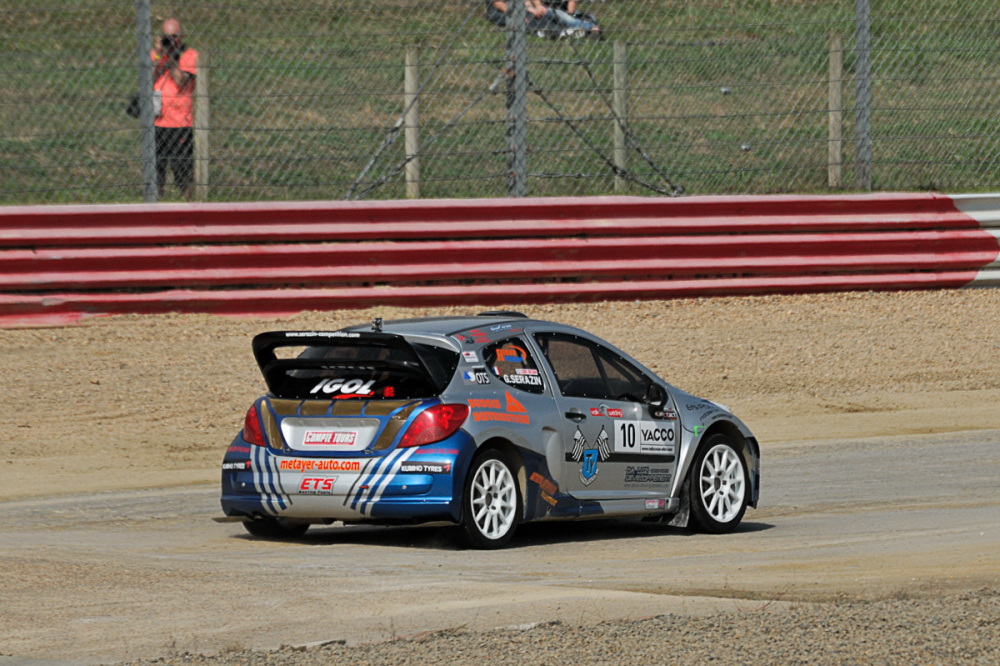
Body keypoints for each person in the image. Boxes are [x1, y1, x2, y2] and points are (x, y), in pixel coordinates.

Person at [151, 18, 198, 200]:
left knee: (182, 169)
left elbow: (181, 80)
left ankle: (188, 201)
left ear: (181, 36)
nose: (170, 40)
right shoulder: (157, 54)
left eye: (174, 36)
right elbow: (147, 78)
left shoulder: (189, 55)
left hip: (180, 122)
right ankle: (156, 201)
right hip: (157, 120)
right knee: (156, 169)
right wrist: (158, 54)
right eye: (166, 36)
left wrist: (170, 57)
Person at [485, 1, 561, 36]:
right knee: (521, 19)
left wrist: (531, 8)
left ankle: (556, 30)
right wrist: (515, 14)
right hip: (499, 10)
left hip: (517, 8)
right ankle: (540, 32)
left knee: (536, 15)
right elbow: (497, 3)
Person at [534, 0, 601, 37]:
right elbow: (537, 4)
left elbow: (570, 10)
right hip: (545, 11)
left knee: (569, 19)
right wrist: (538, 6)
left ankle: (589, 27)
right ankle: (586, 28)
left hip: (563, 13)